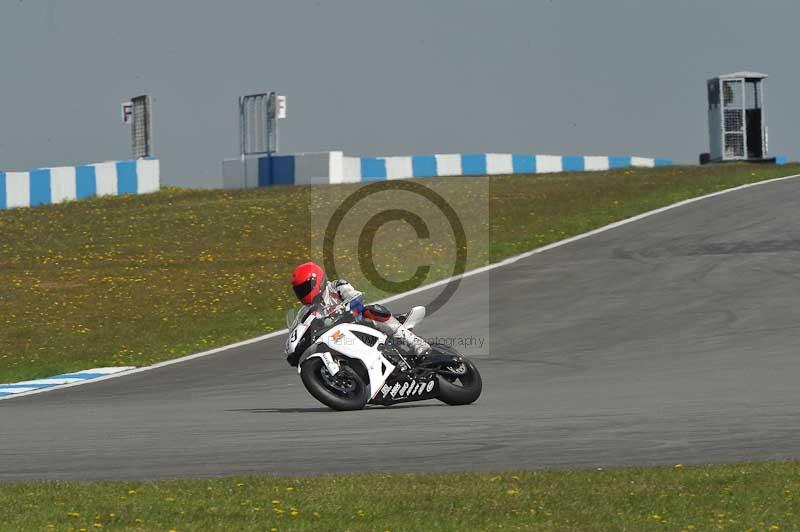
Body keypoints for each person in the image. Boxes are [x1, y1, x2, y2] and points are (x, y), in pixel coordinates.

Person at [291, 261, 431, 357]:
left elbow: (355, 296)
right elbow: (307, 327)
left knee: (371, 310)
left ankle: (416, 343)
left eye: (304, 288)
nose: (302, 293)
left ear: (317, 281)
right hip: (339, 339)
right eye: (299, 290)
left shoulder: (337, 286)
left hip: (358, 322)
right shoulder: (310, 311)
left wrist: (344, 307)